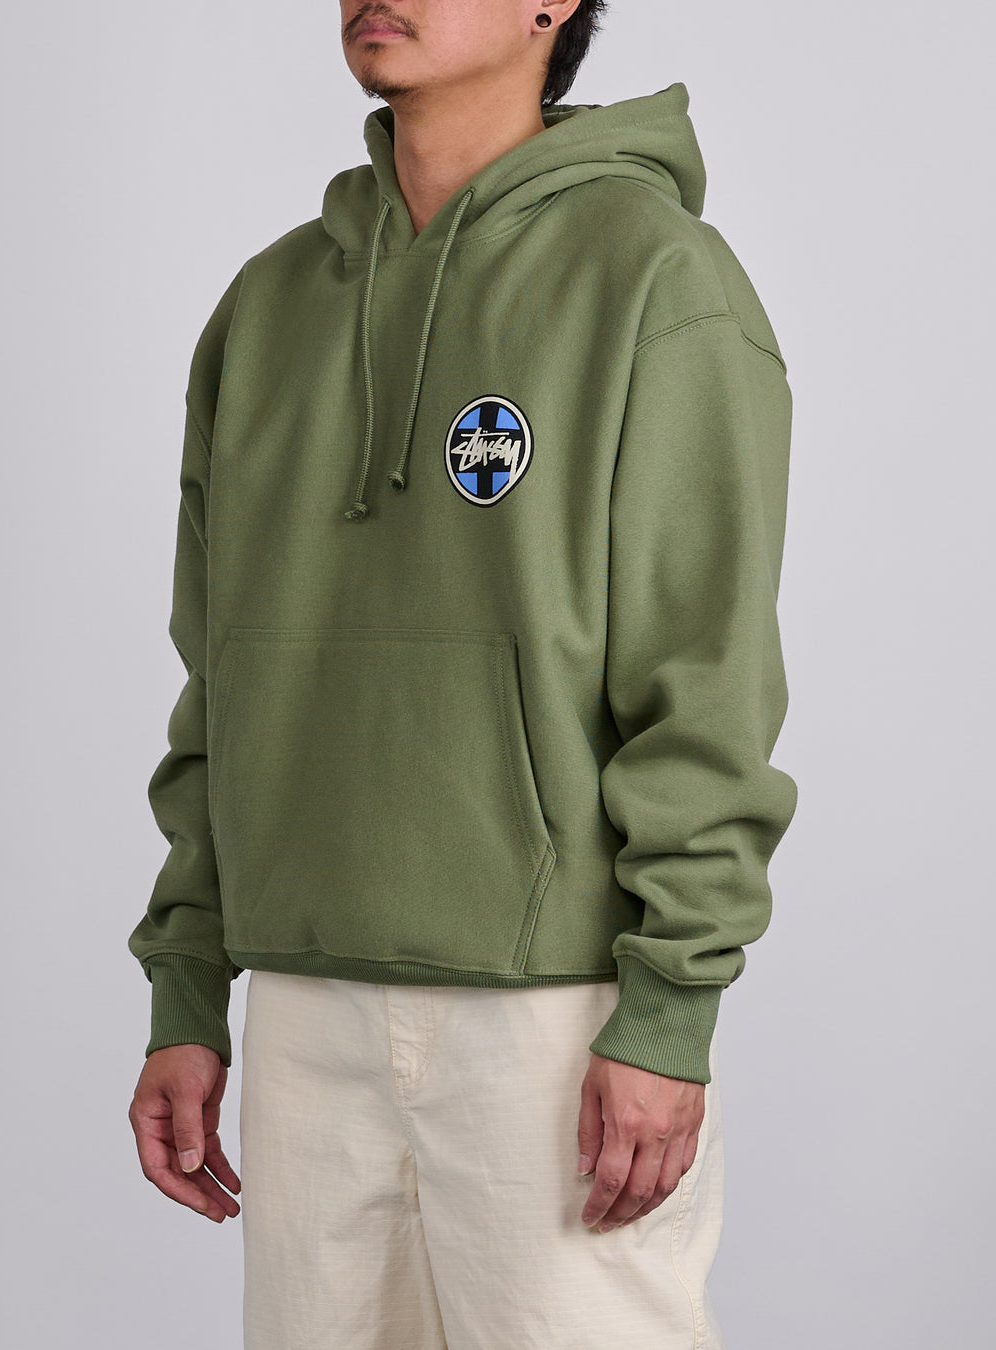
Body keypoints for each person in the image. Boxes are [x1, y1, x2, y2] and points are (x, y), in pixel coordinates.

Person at [126, 2, 799, 1345]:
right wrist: (187, 981)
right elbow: (219, 679)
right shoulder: (267, 307)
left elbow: (705, 679)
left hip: (555, 1012)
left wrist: (668, 1008)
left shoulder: (656, 279)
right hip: (303, 996)